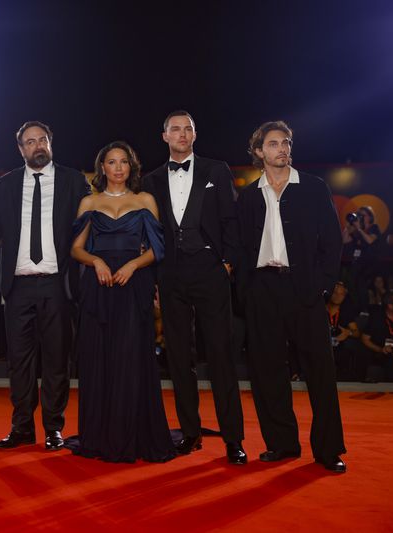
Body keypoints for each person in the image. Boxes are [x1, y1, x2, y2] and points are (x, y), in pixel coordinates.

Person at [236, 120, 346, 473]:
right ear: (259, 152)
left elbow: (332, 241)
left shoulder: (313, 188)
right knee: (268, 373)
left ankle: (328, 451)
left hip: (305, 289)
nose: (283, 148)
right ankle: (282, 445)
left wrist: (323, 285)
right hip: (262, 290)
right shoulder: (250, 196)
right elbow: (240, 248)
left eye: (286, 142)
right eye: (273, 143)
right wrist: (247, 291)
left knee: (320, 373)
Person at [141, 110, 246, 465]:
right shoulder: (152, 179)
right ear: (164, 135)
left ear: (195, 135)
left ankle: (234, 438)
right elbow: (150, 231)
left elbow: (231, 219)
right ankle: (190, 433)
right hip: (171, 275)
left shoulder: (216, 170)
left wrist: (227, 264)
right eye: (175, 129)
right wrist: (155, 275)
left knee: (220, 355)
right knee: (179, 358)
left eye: (188, 129)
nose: (182, 134)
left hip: (210, 270)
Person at [68, 141, 175, 463]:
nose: (118, 168)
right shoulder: (89, 201)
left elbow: (157, 250)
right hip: (98, 289)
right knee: (98, 359)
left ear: (131, 167)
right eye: (111, 162)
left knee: (130, 359)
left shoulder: (145, 200)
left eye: (123, 162)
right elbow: (75, 249)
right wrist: (96, 262)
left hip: (133, 286)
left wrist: (132, 264)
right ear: (103, 167)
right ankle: (100, 435)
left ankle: (131, 433)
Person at [0, 121, 89, 451]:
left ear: (51, 143)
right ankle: (22, 427)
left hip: (59, 285)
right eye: (30, 142)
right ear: (21, 150)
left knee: (57, 360)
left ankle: (53, 427)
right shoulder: (6, 184)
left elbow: (91, 230)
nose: (37, 146)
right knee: (19, 362)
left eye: (42, 140)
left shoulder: (74, 181)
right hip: (18, 287)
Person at [341, 206, 381, 310]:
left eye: (362, 215)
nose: (360, 217)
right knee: (351, 282)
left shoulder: (374, 227)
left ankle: (366, 309)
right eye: (358, 215)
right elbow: (344, 241)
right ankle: (358, 308)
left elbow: (370, 240)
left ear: (370, 217)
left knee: (363, 284)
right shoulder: (357, 230)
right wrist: (349, 225)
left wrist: (359, 228)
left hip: (371, 263)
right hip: (358, 263)